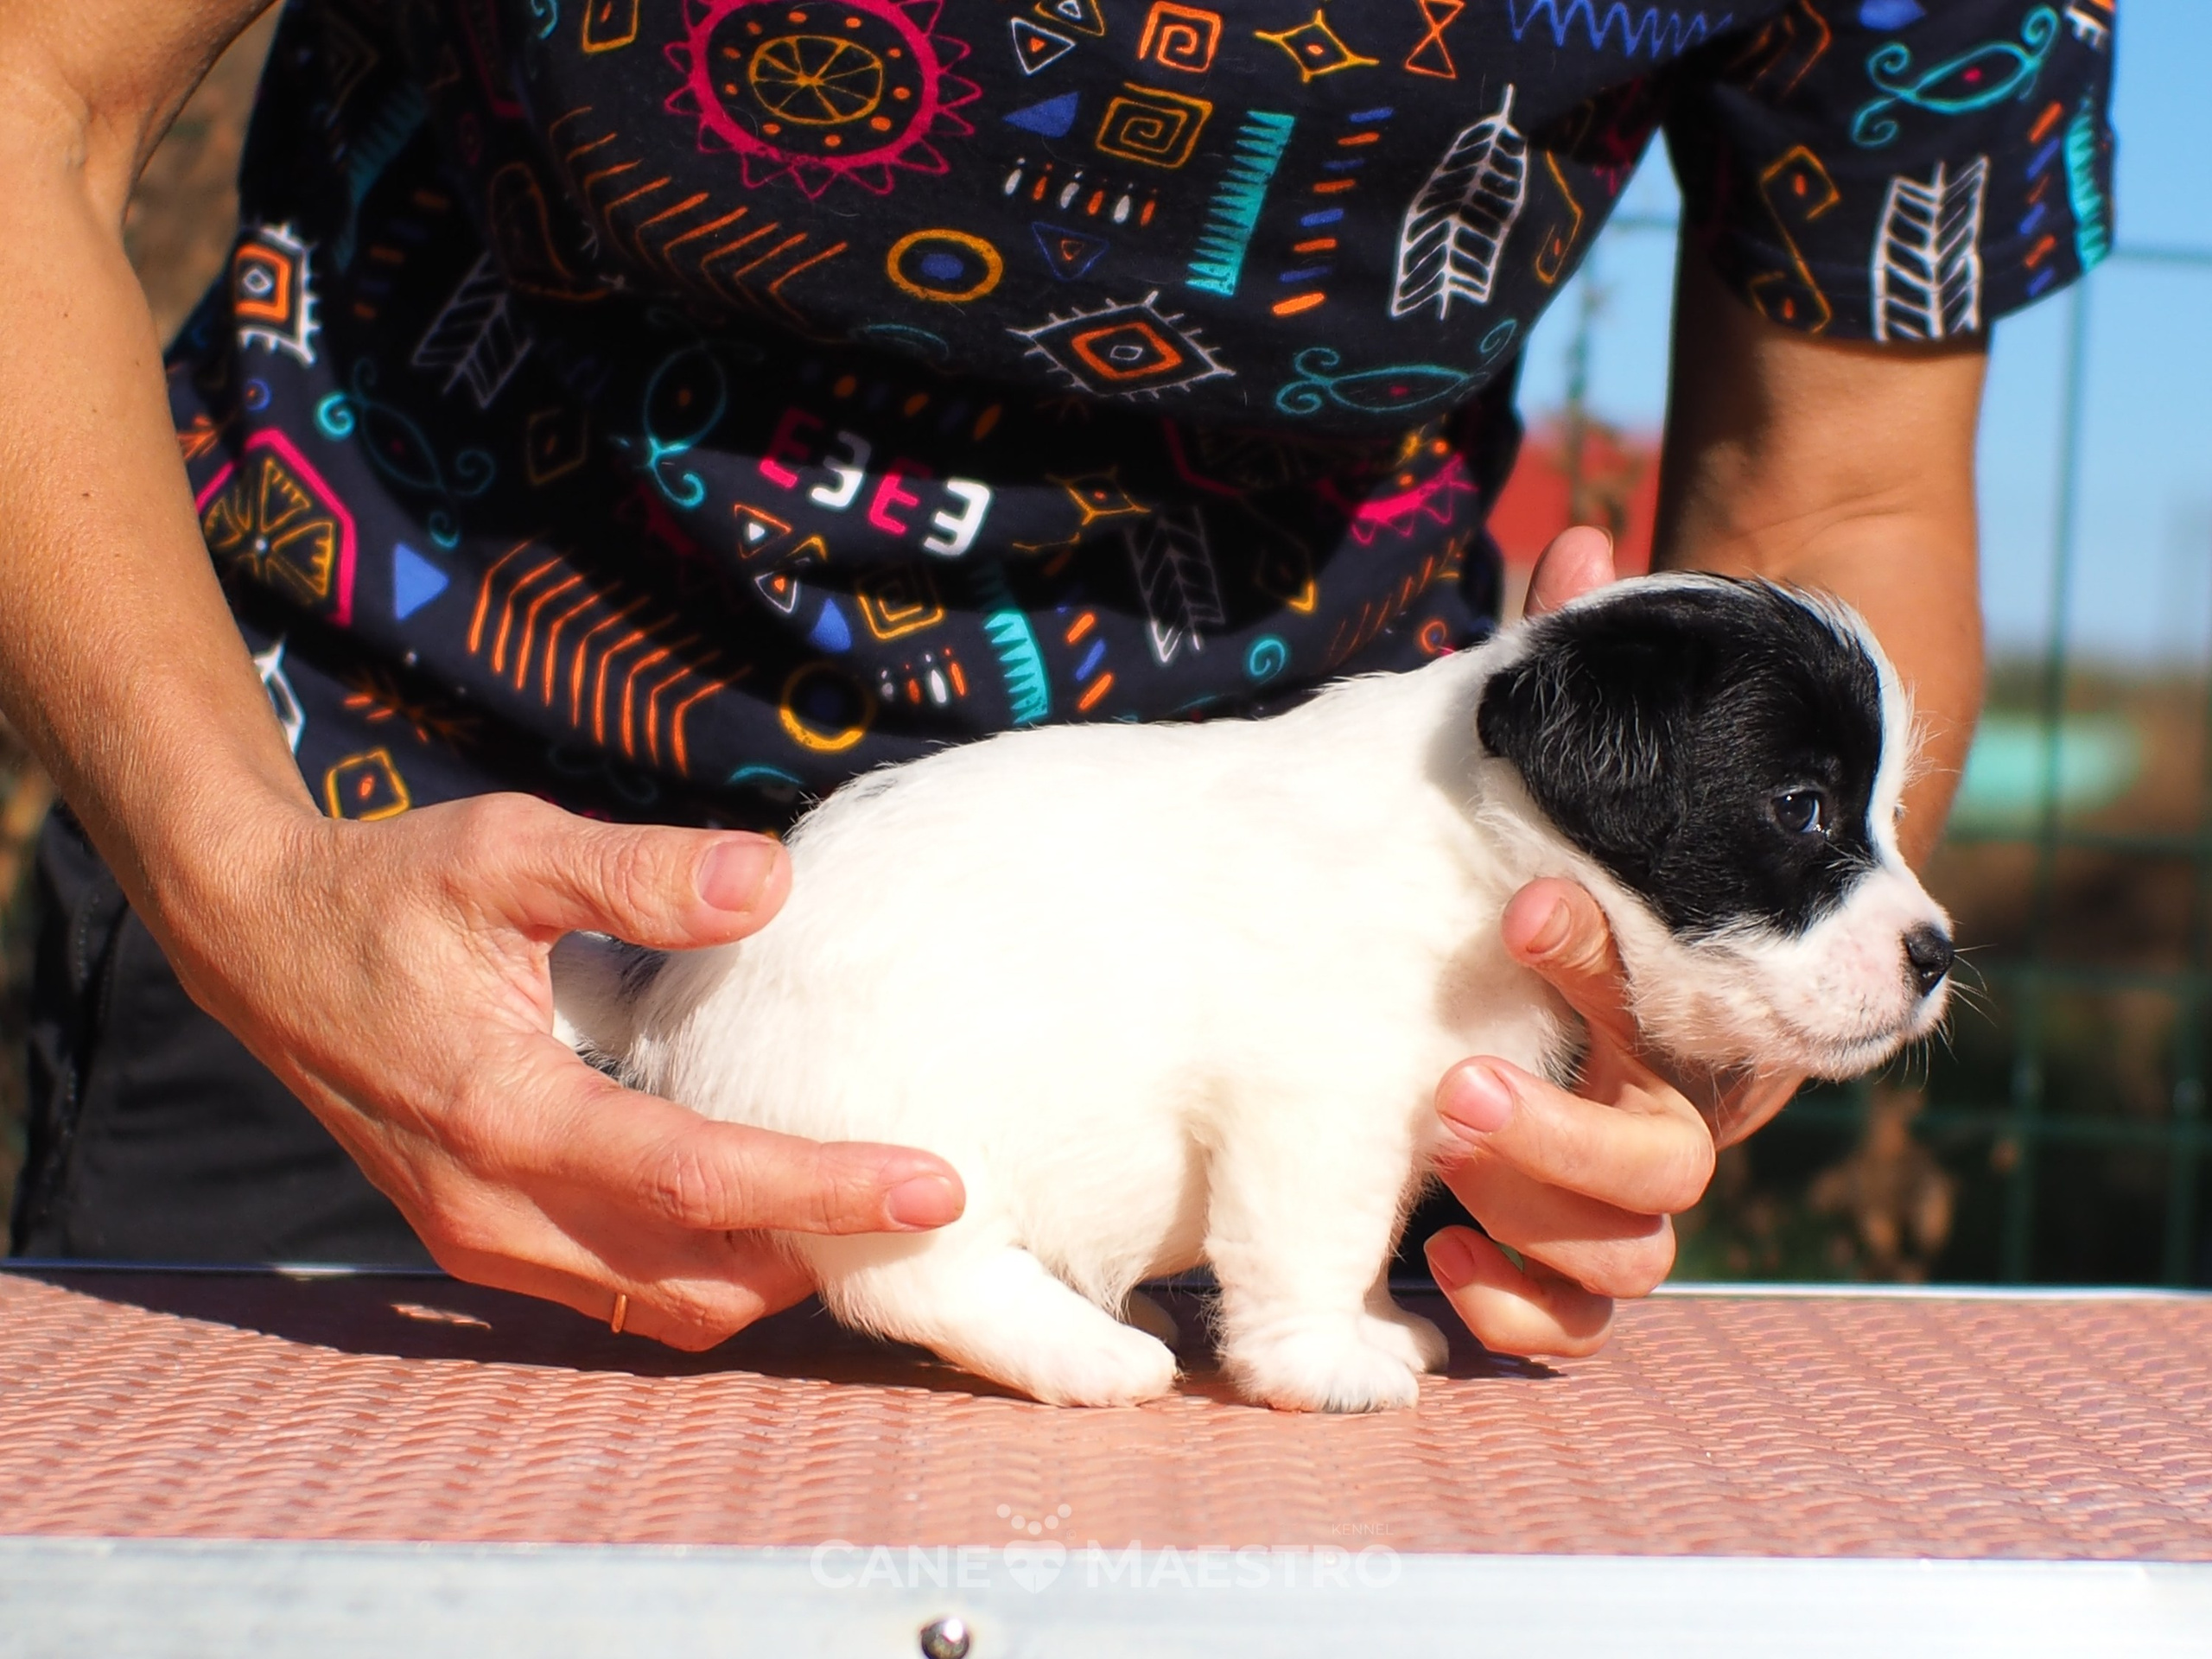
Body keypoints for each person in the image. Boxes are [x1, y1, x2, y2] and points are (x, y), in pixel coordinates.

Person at [0, 0, 2112, 1356]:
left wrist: (1696, 1016)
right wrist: (245, 873)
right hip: (386, 877)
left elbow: (1835, 497)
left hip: (1309, 977)